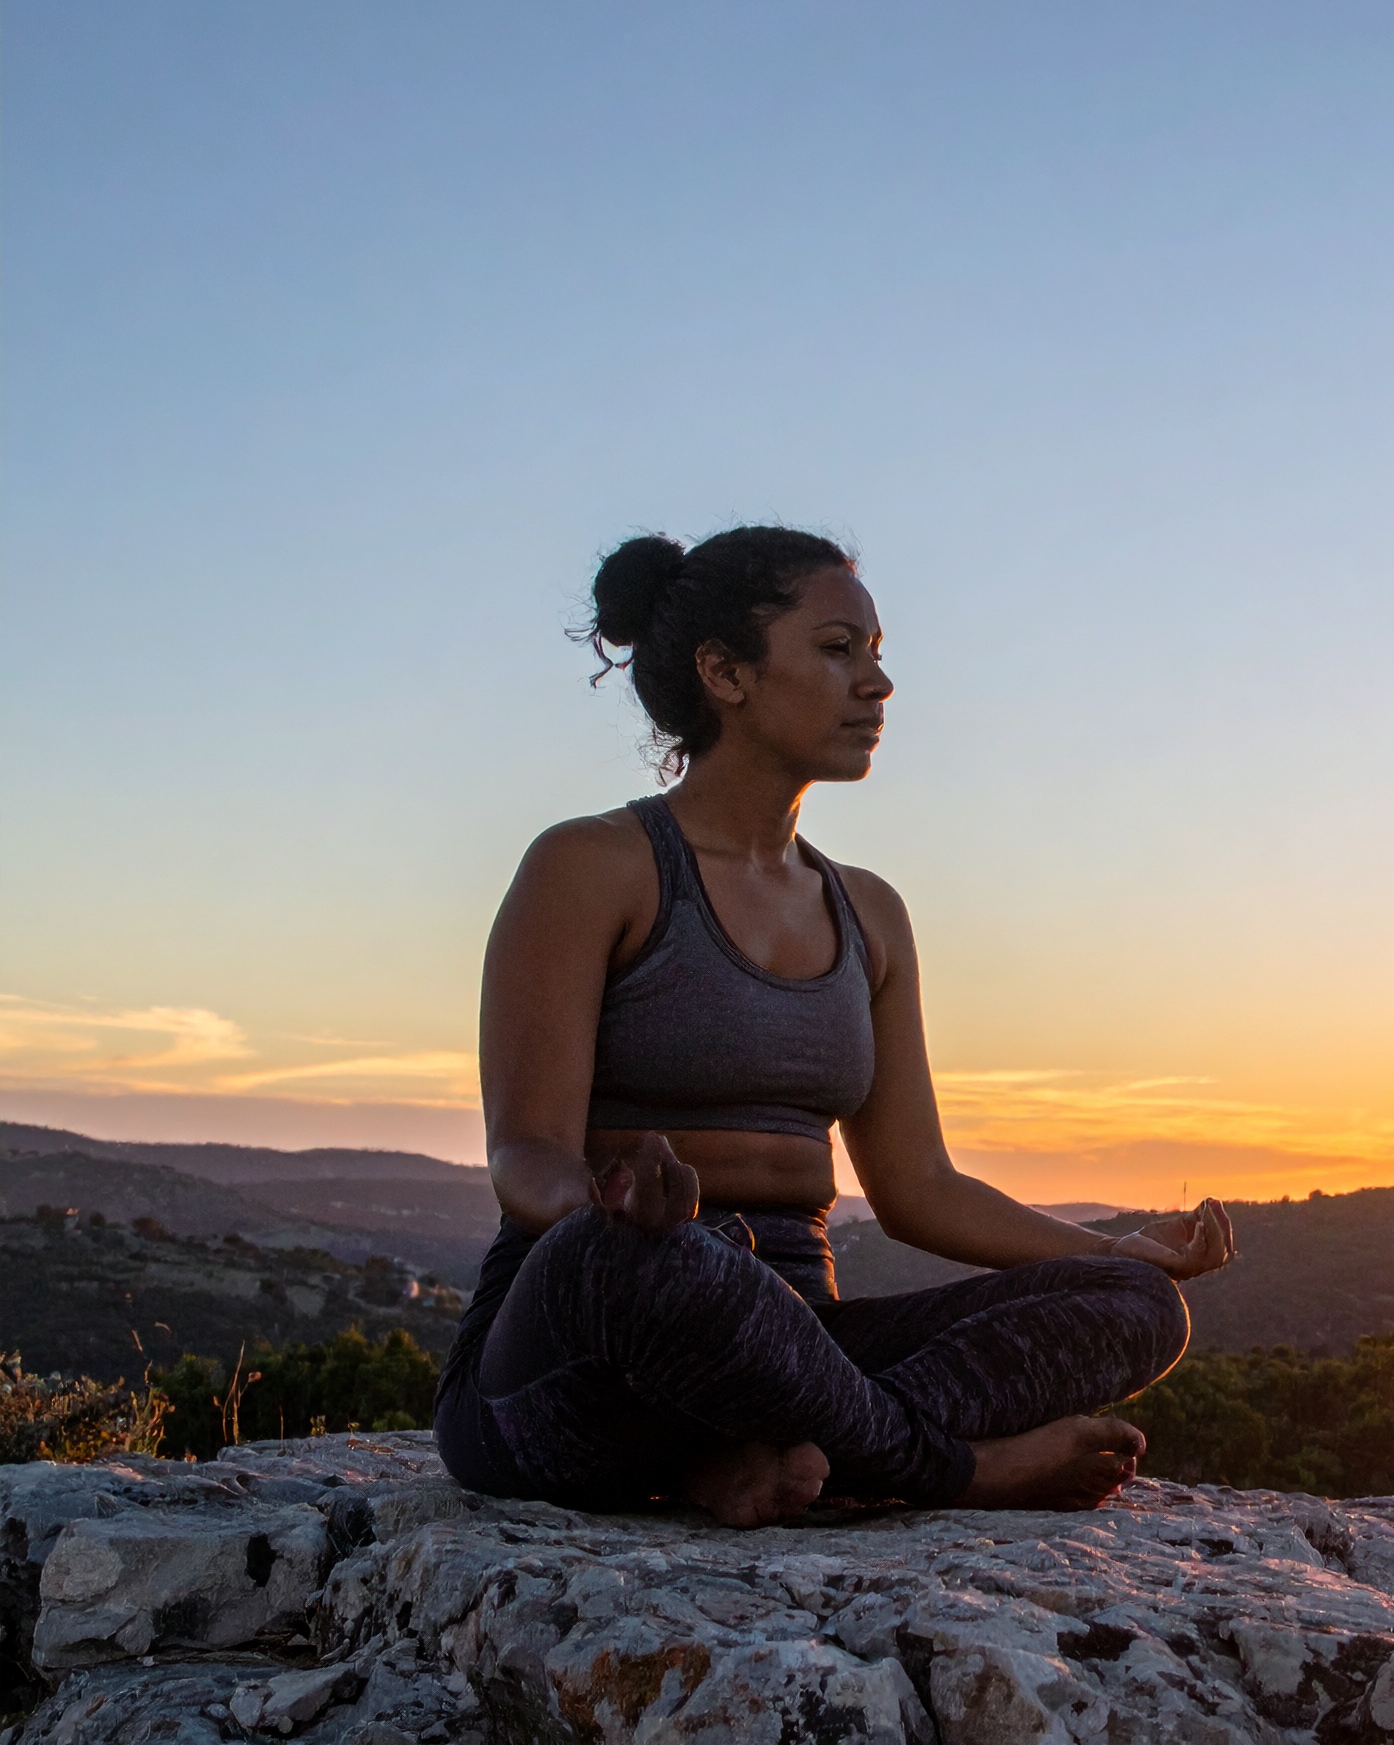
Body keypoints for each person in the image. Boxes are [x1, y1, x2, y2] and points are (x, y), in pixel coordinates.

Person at [433, 525, 1234, 1524]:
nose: (880, 682)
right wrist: (614, 1203)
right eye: (838, 648)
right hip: (596, 1342)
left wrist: (1121, 1251)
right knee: (668, 1267)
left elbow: (920, 1187)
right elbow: (524, 1152)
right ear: (725, 672)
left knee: (1139, 1311)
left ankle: (770, 1453)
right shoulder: (592, 865)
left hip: (795, 1350)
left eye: (879, 649)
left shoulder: (871, 913)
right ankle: (950, 1467)